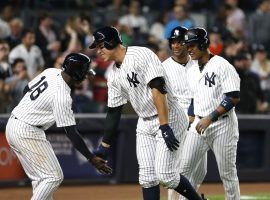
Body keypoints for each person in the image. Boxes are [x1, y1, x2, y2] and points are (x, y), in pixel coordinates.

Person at [89, 26, 204, 200]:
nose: (98, 51)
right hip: (144, 121)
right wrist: (105, 145)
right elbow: (114, 112)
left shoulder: (140, 55)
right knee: (147, 178)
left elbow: (158, 88)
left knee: (166, 176)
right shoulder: (113, 75)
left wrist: (164, 125)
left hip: (169, 114)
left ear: (111, 42)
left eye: (100, 46)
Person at [5, 53, 112, 200]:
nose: (86, 76)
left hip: (14, 124)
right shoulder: (61, 96)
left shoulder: (51, 71)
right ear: (77, 74)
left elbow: (26, 90)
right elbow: (71, 133)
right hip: (26, 130)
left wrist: (35, 108)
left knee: (41, 179)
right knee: (53, 177)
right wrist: (91, 158)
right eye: (85, 73)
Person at [183, 27, 241, 199]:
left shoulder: (222, 65)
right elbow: (195, 95)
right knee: (183, 169)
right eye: (188, 46)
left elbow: (233, 97)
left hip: (222, 124)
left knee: (227, 173)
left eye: (192, 45)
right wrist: (191, 114)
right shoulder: (191, 68)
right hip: (198, 124)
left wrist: (210, 117)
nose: (189, 49)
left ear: (203, 44)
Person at [162, 26, 207, 200]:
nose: (176, 45)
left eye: (180, 41)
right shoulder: (163, 67)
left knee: (200, 170)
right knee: (180, 169)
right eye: (173, 42)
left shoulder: (198, 64)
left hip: (198, 120)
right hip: (177, 121)